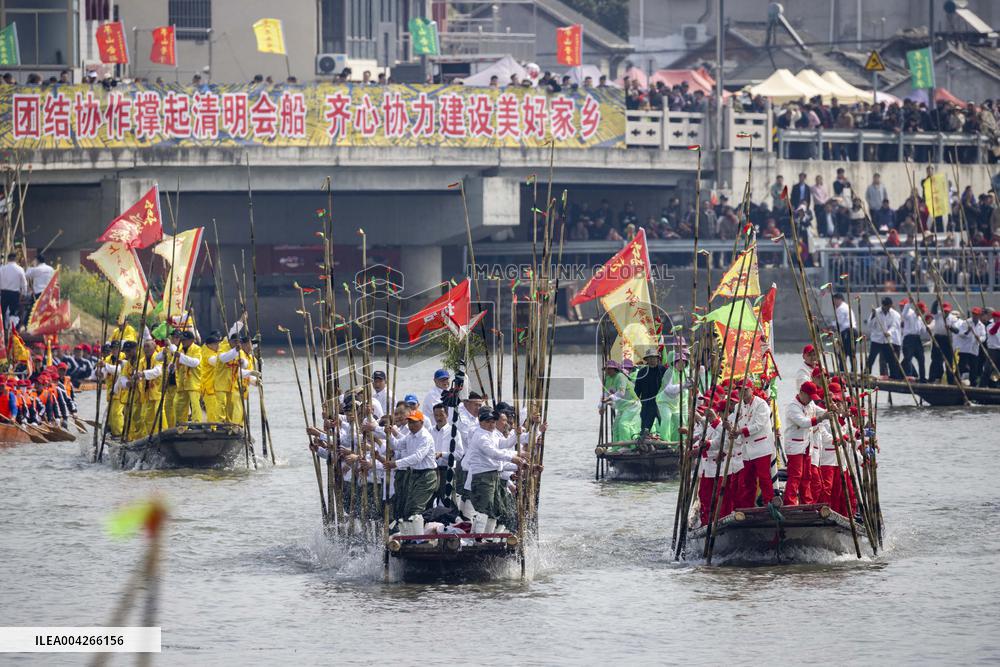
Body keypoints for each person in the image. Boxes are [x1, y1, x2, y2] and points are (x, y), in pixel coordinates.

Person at [463, 407, 525, 536]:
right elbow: (493, 453)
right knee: (484, 507)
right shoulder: (480, 436)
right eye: (488, 422)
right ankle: (478, 538)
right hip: (483, 476)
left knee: (494, 508)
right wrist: (513, 458)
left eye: (493, 422)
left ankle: (489, 537)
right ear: (481, 422)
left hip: (493, 475)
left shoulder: (491, 434)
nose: (491, 424)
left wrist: (516, 435)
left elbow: (505, 444)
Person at [384, 410, 438, 536]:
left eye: (414, 422)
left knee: (415, 508)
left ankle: (417, 539)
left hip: (427, 475)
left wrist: (396, 464)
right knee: (407, 508)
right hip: (415, 474)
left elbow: (417, 457)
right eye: (409, 422)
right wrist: (389, 435)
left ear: (421, 423)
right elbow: (397, 445)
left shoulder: (425, 437)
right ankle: (410, 537)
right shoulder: (410, 435)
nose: (411, 425)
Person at [730, 382, 775, 507]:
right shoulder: (738, 406)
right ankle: (748, 507)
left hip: (761, 447)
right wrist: (733, 430)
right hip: (747, 449)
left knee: (764, 478)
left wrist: (740, 431)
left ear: (752, 389)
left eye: (745, 390)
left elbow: (759, 425)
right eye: (740, 390)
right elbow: (736, 423)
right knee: (747, 480)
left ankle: (769, 504)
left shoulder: (761, 404)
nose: (742, 392)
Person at [783, 381, 826, 506]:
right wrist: (822, 418)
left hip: (807, 445)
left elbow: (819, 411)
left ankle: (807, 503)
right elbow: (804, 422)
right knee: (796, 476)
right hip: (795, 446)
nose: (810, 400)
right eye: (809, 396)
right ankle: (790, 503)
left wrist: (831, 410)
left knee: (807, 476)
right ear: (801, 393)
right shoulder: (792, 406)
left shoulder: (810, 403)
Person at [429, 402, 464, 508]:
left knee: (447, 501)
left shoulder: (454, 432)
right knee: (429, 501)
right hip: (432, 471)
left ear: (447, 415)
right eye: (436, 415)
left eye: (441, 415)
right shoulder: (430, 431)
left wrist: (442, 454)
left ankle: (449, 522)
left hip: (447, 470)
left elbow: (459, 454)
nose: (438, 418)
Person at [171, 330, 203, 423]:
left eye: (185, 340)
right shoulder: (180, 350)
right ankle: (180, 423)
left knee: (195, 404)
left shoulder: (197, 349)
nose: (183, 342)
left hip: (193, 383)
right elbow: (174, 366)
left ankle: (197, 423)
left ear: (192, 340)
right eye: (182, 340)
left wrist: (181, 356)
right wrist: (171, 367)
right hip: (182, 384)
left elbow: (194, 363)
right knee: (178, 404)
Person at [866, 297, 903, 379]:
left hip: (887, 340)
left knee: (891, 359)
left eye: (888, 307)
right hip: (877, 339)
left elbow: (895, 326)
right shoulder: (876, 312)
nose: (886, 308)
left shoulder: (895, 314)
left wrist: (889, 332)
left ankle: (893, 376)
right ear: (883, 305)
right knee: (871, 357)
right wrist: (873, 316)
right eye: (885, 307)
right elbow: (870, 325)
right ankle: (866, 374)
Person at [633, 348, 666, 436]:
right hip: (646, 403)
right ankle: (643, 443)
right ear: (647, 360)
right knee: (645, 426)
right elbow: (637, 389)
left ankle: (664, 442)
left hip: (661, 402)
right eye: (650, 358)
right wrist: (635, 400)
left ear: (657, 358)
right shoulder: (641, 372)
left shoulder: (663, 370)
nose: (652, 360)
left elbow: (668, 387)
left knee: (664, 423)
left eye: (654, 357)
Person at [929, 301, 959, 384]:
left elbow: (957, 330)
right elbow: (933, 310)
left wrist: (950, 327)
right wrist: (936, 301)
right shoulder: (938, 315)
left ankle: (950, 381)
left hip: (947, 339)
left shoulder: (953, 318)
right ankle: (934, 378)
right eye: (944, 311)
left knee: (949, 360)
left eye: (947, 311)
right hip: (937, 338)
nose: (946, 312)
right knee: (935, 359)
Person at [954, 307, 986, 386]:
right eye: (974, 314)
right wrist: (967, 331)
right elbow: (960, 334)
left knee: (974, 367)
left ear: (979, 315)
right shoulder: (966, 323)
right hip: (965, 349)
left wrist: (980, 339)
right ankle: (957, 381)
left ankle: (973, 384)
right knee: (962, 366)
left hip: (974, 349)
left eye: (976, 314)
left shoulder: (981, 325)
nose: (975, 316)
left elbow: (984, 336)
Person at [900, 299, 927, 381]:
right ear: (917, 309)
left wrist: (926, 326)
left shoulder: (920, 319)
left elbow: (923, 331)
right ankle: (908, 376)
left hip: (917, 339)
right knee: (908, 358)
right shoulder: (910, 314)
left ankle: (922, 377)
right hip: (909, 339)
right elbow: (903, 314)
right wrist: (909, 303)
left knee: (921, 359)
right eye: (922, 311)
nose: (923, 312)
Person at [831, 293, 857, 371]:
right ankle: (851, 370)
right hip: (850, 332)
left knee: (843, 353)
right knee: (848, 353)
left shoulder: (841, 308)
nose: (834, 302)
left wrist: (830, 326)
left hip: (848, 332)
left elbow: (839, 322)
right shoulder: (844, 307)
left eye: (835, 300)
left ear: (840, 300)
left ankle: (844, 371)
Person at [0, 252, 26, 327]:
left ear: (8, 259)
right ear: (15, 259)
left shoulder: (2, 269)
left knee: (2, 312)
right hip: (15, 294)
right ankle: (12, 329)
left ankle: (3, 329)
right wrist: (24, 293)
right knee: (13, 312)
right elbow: (24, 283)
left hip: (4, 293)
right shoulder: (20, 269)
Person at [25, 253, 54, 317]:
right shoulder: (51, 269)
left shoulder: (36, 269)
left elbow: (26, 275)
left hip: (38, 293)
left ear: (37, 260)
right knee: (46, 310)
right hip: (48, 292)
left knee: (35, 310)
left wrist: (30, 266)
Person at [982, 310, 1000, 388]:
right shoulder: (990, 325)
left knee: (997, 370)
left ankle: (995, 385)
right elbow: (992, 332)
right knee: (988, 369)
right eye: (996, 318)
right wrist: (998, 324)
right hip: (992, 350)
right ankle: (982, 385)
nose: (997, 319)